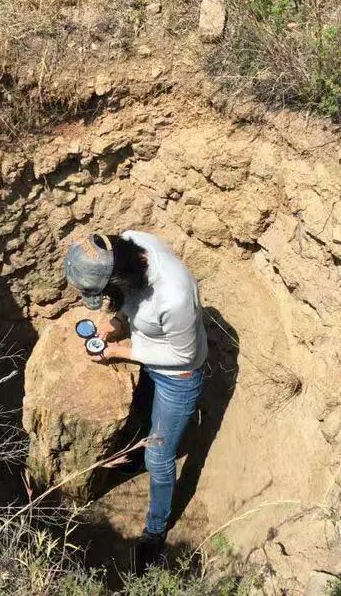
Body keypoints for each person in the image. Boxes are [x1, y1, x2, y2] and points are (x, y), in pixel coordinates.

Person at [63, 231, 208, 571]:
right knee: (143, 414)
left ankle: (155, 532)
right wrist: (115, 323)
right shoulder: (128, 244)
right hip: (151, 362)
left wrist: (119, 350)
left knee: (160, 456)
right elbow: (132, 303)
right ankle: (137, 458)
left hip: (178, 378)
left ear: (120, 277)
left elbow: (183, 355)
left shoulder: (174, 296)